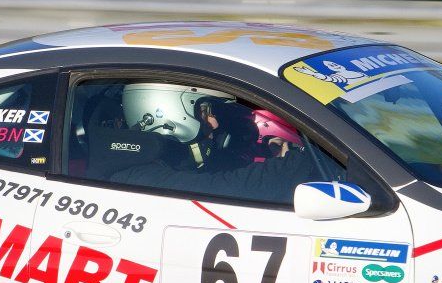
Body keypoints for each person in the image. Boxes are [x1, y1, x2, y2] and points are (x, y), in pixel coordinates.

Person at [106, 83, 315, 204]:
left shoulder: (177, 160)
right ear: (163, 112)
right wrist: (295, 162)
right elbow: (234, 187)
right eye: (205, 112)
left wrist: (262, 149)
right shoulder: (140, 178)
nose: (214, 123)